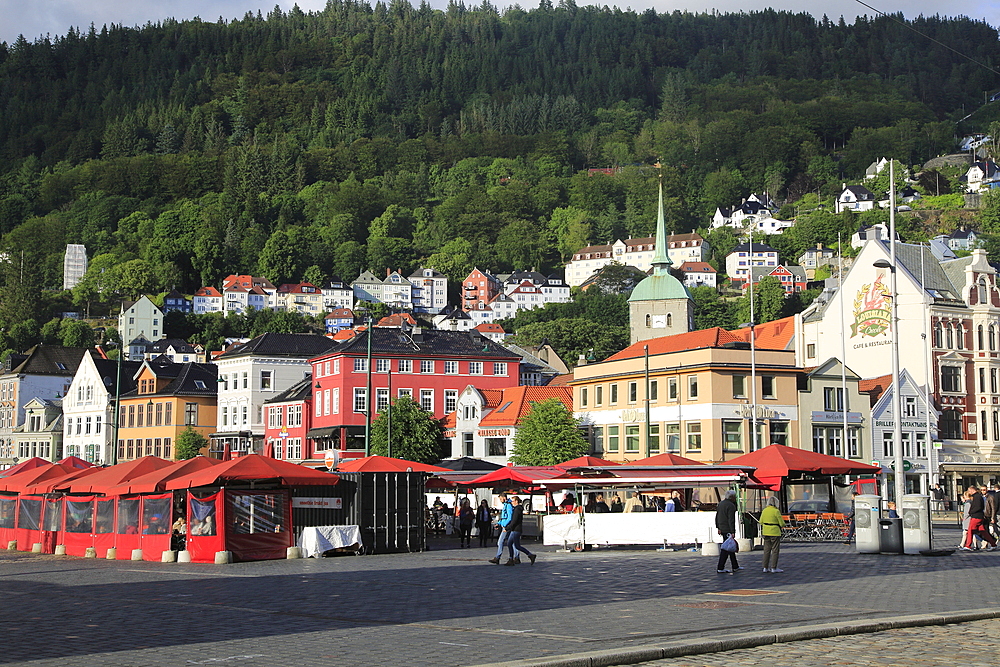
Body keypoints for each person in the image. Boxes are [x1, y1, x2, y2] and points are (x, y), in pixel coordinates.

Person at [503, 496, 536, 565]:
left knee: (516, 545)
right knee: (511, 544)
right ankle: (511, 559)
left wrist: (507, 528)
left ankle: (530, 555)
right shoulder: (517, 509)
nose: (511, 503)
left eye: (512, 501)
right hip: (515, 530)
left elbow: (514, 521)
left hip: (516, 530)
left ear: (516, 501)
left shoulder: (517, 509)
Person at [962, 485, 997, 551]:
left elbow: (978, 507)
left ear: (972, 490)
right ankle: (993, 544)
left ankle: (968, 545)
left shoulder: (977, 497)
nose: (969, 492)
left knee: (970, 530)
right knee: (983, 531)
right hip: (980, 516)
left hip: (976, 516)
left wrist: (971, 512)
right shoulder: (978, 496)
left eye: (969, 491)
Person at [715, 489, 740, 573]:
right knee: (726, 549)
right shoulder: (731, 505)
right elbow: (731, 519)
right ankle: (720, 567)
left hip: (722, 528)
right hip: (728, 529)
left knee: (729, 547)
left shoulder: (721, 504)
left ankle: (735, 565)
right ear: (732, 497)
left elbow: (717, 516)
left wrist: (718, 527)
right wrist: (733, 531)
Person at [759, 496, 785, 573]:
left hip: (766, 532)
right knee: (775, 550)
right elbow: (782, 523)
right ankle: (773, 567)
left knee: (766, 550)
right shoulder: (776, 511)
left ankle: (765, 567)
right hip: (775, 532)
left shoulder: (764, 510)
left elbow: (760, 521)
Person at [488, 494, 513, 565]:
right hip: (504, 525)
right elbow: (503, 517)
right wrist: (499, 523)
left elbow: (509, 517)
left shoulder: (508, 505)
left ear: (504, 498)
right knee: (513, 543)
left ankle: (497, 557)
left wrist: (504, 525)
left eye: (500, 499)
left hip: (506, 527)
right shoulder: (506, 505)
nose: (500, 500)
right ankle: (516, 557)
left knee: (500, 542)